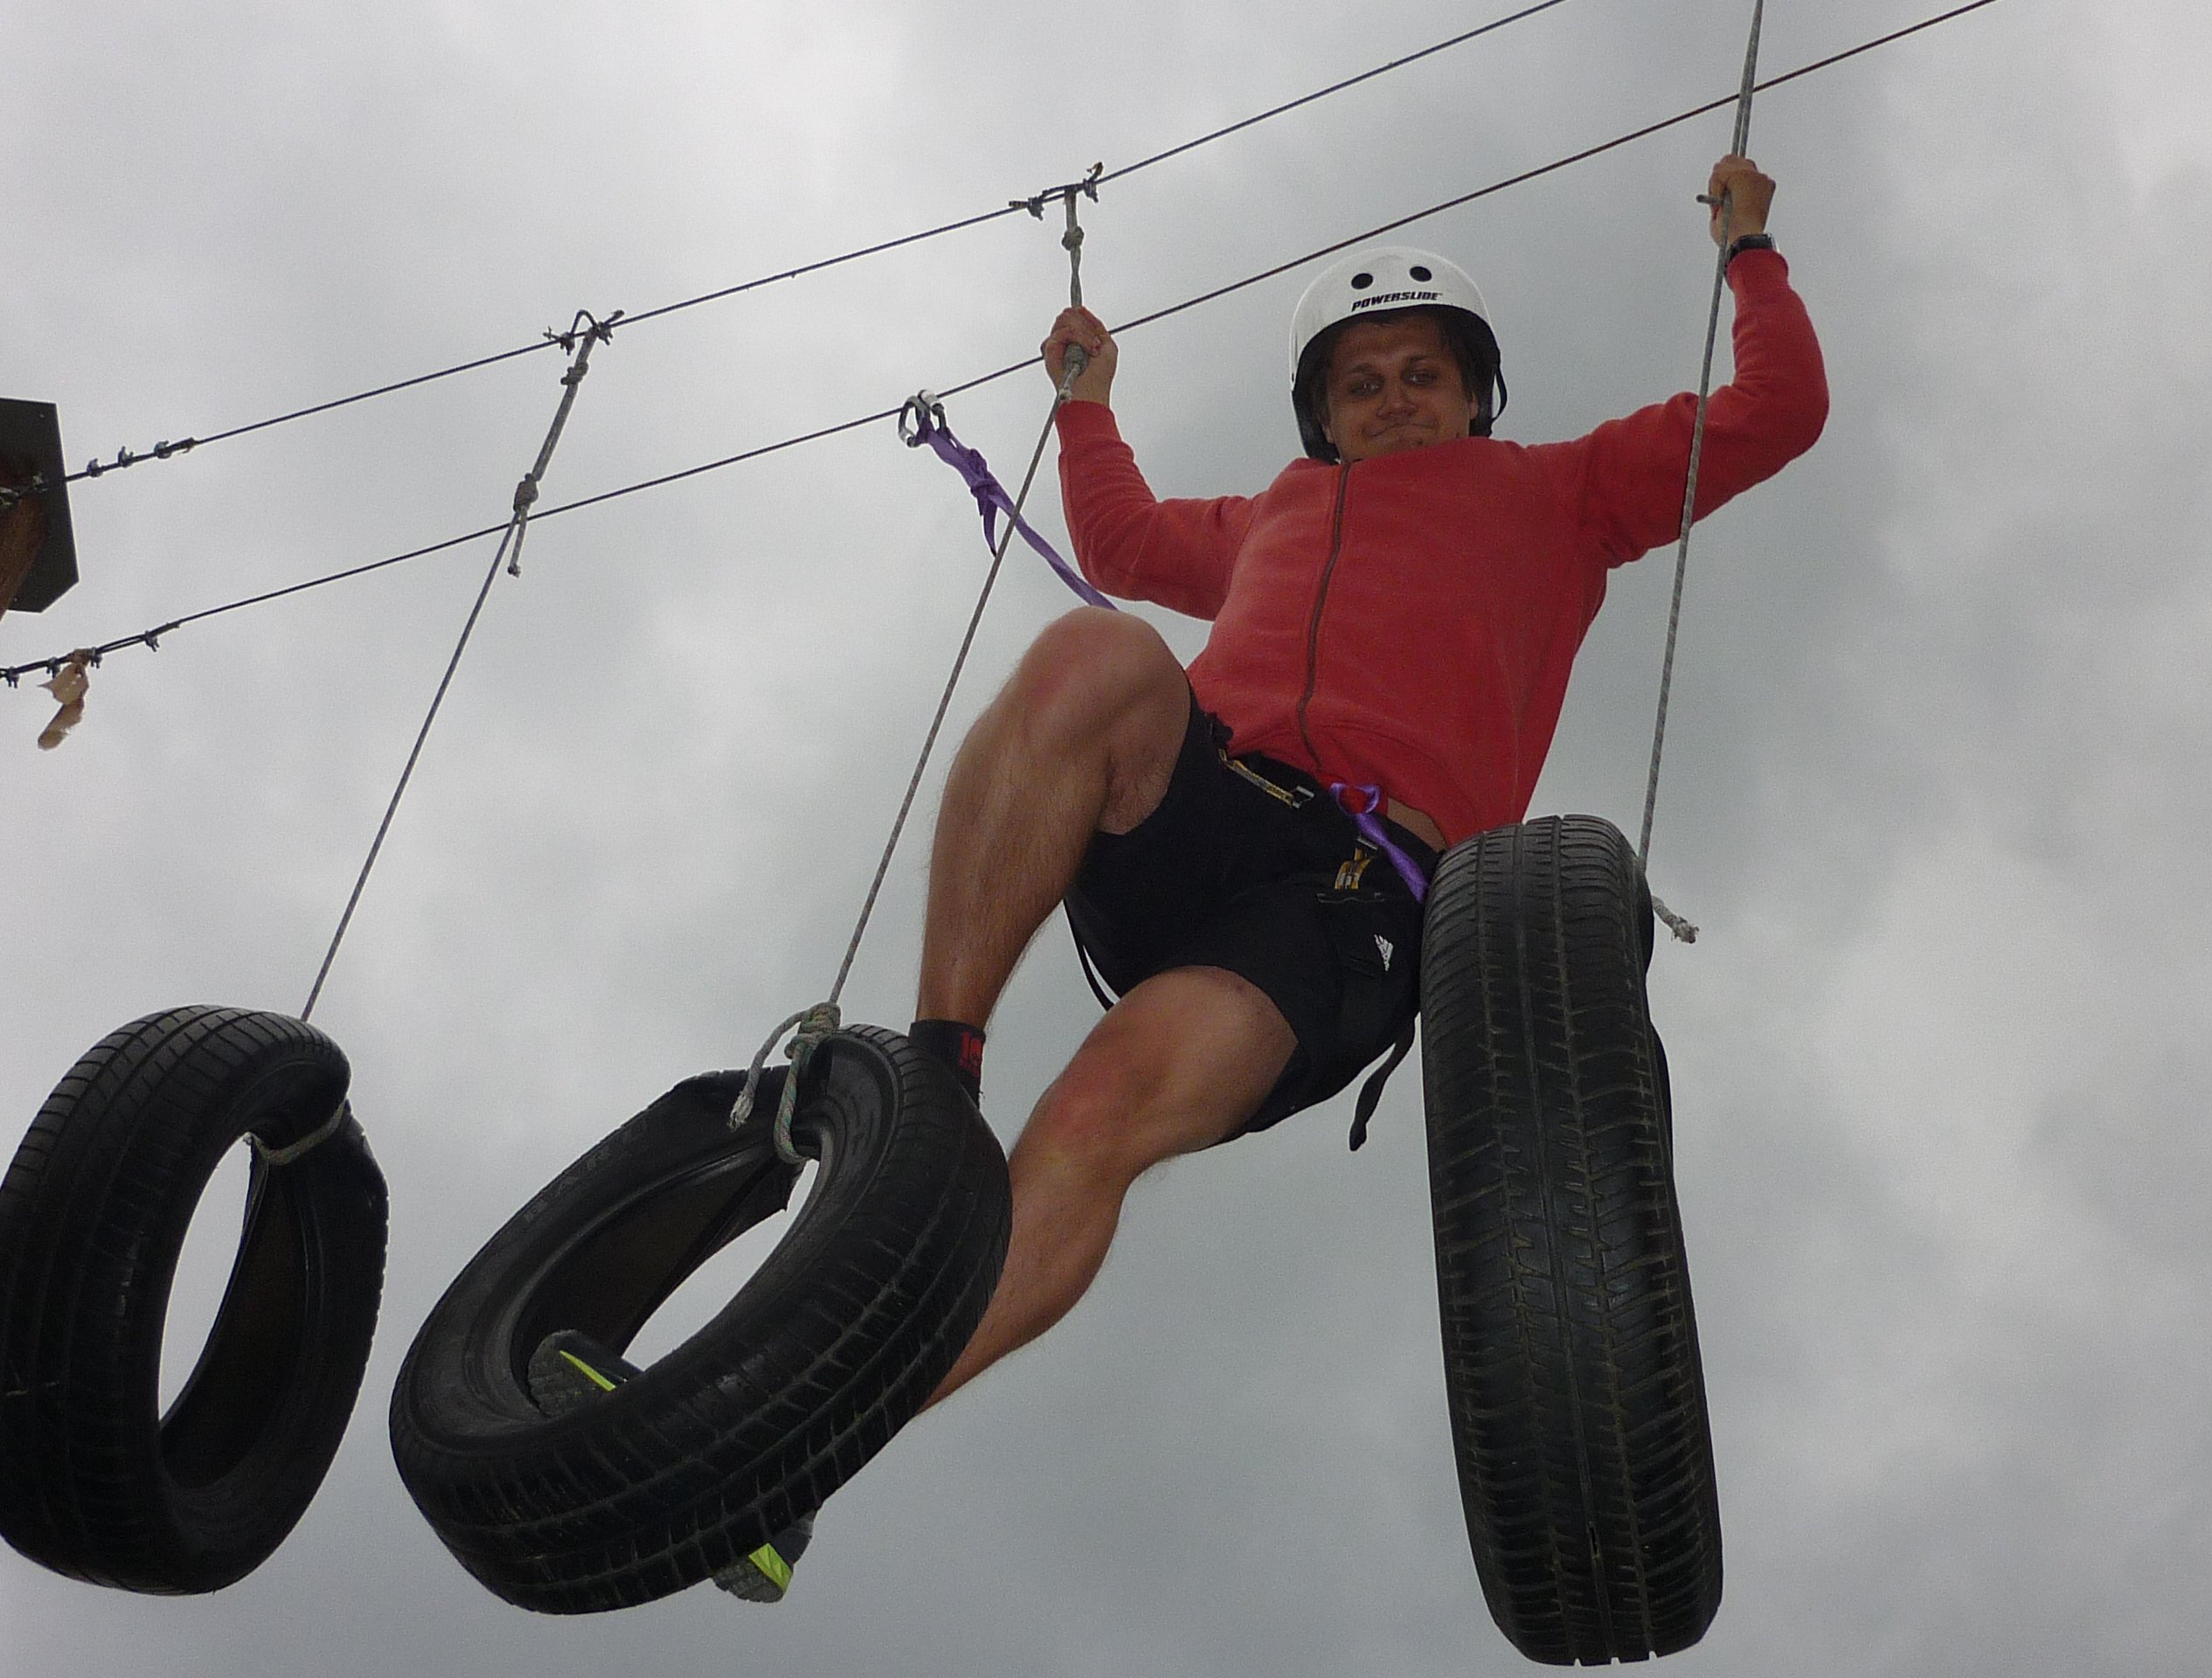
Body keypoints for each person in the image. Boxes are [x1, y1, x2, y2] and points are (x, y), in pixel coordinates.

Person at [536, 152, 1827, 1601]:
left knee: (1095, 1122)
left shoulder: (1566, 491)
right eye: (1362, 385)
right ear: (1323, 417)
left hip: (1351, 899)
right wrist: (1087, 404)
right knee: (1096, 651)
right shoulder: (1278, 511)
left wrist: (1749, 250)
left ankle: (778, 1464)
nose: (1395, 398)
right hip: (1203, 808)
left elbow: (1776, 412)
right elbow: (1123, 541)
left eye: (1424, 374)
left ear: (1477, 395)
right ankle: (934, 1089)